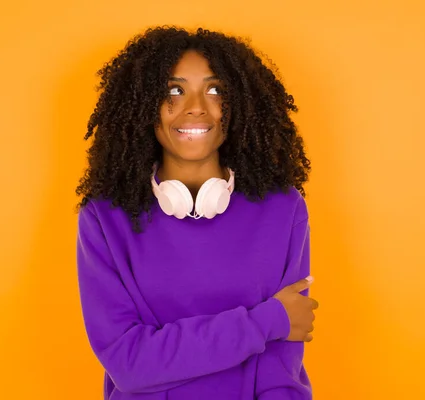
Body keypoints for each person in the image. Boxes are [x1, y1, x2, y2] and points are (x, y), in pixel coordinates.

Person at [75, 26, 319, 400]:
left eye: (215, 90)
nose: (196, 107)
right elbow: (129, 364)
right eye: (174, 91)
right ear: (144, 106)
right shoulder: (105, 219)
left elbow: (280, 369)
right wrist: (266, 321)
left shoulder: (283, 209)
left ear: (238, 106)